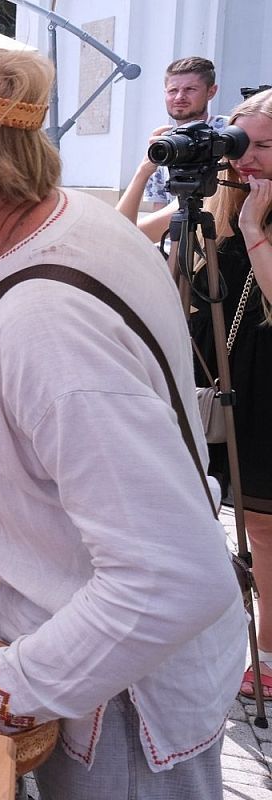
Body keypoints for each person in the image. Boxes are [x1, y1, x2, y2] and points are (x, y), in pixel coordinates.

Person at [0, 46, 246, 799]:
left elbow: (172, 580)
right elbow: (101, 408)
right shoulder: (73, 224)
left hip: (116, 696)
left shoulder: (48, 324)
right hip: (99, 664)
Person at [193, 88, 272, 700]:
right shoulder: (223, 205)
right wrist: (152, 167)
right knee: (235, 518)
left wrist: (255, 232)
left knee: (266, 529)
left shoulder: (249, 218)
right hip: (230, 384)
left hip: (268, 388)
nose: (246, 159)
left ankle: (266, 656)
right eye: (240, 144)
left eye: (263, 146)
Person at [117, 57, 230, 239]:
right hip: (175, 247)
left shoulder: (228, 131)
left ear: (211, 91)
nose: (179, 97)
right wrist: (145, 169)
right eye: (173, 90)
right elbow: (159, 220)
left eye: (190, 89)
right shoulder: (164, 145)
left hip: (216, 242)